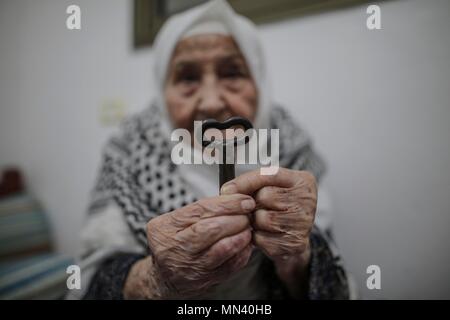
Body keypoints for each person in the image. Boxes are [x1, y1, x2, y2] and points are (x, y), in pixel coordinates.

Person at [68, 0, 350, 300]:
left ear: (259, 82)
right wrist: (152, 280)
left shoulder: (290, 147)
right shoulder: (127, 152)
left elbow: (332, 282)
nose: (212, 102)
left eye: (232, 73)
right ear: (163, 92)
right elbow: (91, 282)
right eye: (188, 78)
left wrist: (296, 255)